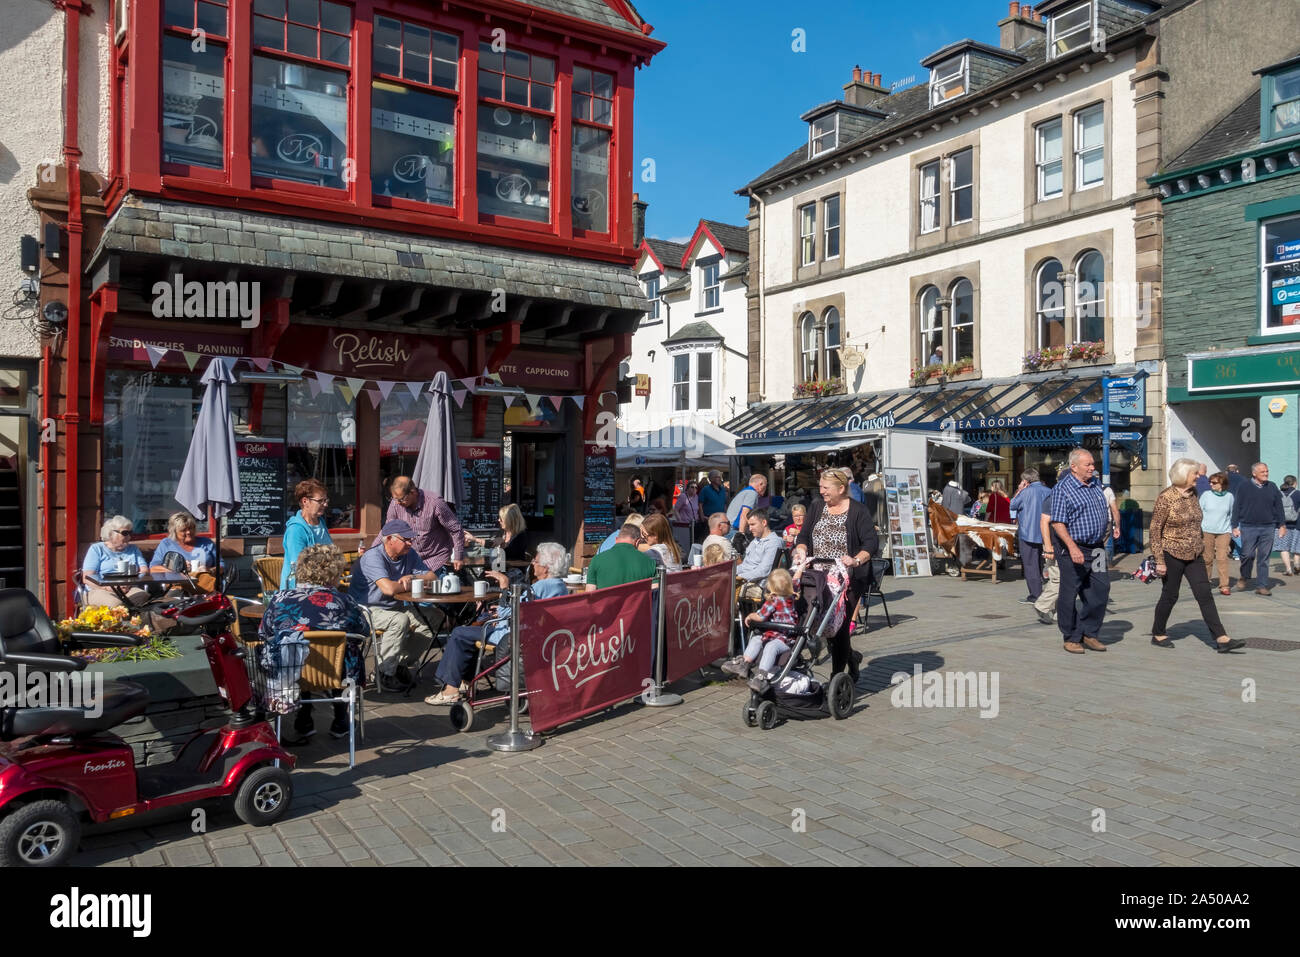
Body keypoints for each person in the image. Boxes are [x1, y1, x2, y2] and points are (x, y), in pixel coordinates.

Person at [425, 543, 568, 706]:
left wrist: (504, 587)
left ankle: (451, 690)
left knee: (460, 633)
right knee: (472, 631)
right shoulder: (560, 586)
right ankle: (465, 681)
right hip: (537, 635)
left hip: (513, 636)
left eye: (535, 561)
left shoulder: (540, 587)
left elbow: (509, 613)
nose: (533, 564)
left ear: (546, 567)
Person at [259, 544, 372, 741]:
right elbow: (364, 630)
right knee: (344, 650)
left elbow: (264, 632)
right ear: (334, 572)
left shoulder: (279, 599)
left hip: (291, 671)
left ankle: (304, 719)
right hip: (336, 673)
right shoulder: (344, 601)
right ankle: (340, 718)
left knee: (294, 651)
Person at [790, 467, 878, 679]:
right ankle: (851, 657)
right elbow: (803, 537)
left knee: (839, 627)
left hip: (847, 577)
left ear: (841, 488)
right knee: (819, 621)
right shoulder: (817, 506)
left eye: (825, 487)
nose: (821, 491)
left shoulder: (857, 510)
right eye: (820, 486)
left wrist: (856, 559)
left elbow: (871, 543)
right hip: (818, 574)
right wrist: (800, 551)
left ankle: (837, 676)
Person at [1149, 459, 1245, 652]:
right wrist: (1159, 560)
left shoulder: (1194, 494)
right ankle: (1158, 633)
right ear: (1184, 475)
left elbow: (1196, 523)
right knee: (1170, 595)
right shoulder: (1166, 497)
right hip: (1172, 553)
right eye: (1195, 473)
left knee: (1205, 594)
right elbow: (1154, 530)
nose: (1199, 476)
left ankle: (1221, 638)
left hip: (1194, 554)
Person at [348, 519, 437, 692]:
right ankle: (384, 673)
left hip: (393, 608)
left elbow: (433, 577)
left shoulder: (409, 554)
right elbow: (388, 588)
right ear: (389, 539)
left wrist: (412, 578)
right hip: (364, 610)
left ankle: (398, 664)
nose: (410, 543)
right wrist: (409, 583)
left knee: (433, 618)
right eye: (406, 539)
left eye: (411, 539)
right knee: (399, 620)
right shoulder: (373, 557)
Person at [1048, 448, 1114, 654]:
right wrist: (1072, 547)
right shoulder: (1063, 489)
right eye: (1088, 465)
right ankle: (1071, 636)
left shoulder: (1095, 484)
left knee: (1101, 589)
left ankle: (1089, 632)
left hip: (1096, 548)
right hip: (1073, 547)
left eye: (1093, 464)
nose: (1093, 468)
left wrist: (1107, 532)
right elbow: (1057, 522)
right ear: (1074, 467)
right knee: (1070, 592)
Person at [374, 476, 465, 574]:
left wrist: (458, 556)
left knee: (434, 588)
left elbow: (455, 529)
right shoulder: (395, 504)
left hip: (437, 559)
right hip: (411, 562)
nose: (398, 503)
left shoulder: (434, 502)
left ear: (413, 492)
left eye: (401, 499)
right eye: (394, 499)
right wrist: (371, 553)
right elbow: (387, 531)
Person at [721, 568, 798, 679]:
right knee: (756, 639)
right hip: (777, 635)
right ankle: (744, 664)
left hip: (783, 639)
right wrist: (800, 568)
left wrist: (750, 616)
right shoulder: (791, 595)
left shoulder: (773, 600)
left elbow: (760, 617)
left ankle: (761, 675)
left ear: (770, 587)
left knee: (770, 647)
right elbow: (796, 581)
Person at [1230, 462, 1287, 595]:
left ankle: (1262, 586)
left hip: (1268, 527)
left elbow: (1279, 507)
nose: (1266, 473)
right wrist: (1234, 525)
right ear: (1254, 473)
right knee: (1247, 555)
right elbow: (1237, 506)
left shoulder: (1272, 486)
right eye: (1263, 472)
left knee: (1264, 557)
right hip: (1249, 526)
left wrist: (1282, 525)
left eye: (1267, 471)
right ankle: (1244, 577)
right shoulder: (1244, 486)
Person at [82, 516, 150, 607]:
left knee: (143, 596)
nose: (129, 536)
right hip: (100, 590)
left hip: (128, 588)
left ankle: (130, 618)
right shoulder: (97, 549)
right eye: (125, 533)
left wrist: (129, 584)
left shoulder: (133, 549)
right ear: (111, 534)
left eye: (130, 533)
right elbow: (87, 577)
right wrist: (107, 587)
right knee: (115, 604)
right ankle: (123, 616)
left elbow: (144, 570)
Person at [280, 479, 334, 590]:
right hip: (300, 591)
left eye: (326, 500)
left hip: (323, 586)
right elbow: (300, 567)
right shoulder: (296, 530)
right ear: (305, 501)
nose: (325, 504)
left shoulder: (321, 523)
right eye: (320, 501)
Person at [1034, 465, 1069, 626]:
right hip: (1054, 545)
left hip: (1062, 545)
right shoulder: (1056, 495)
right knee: (1058, 579)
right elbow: (1044, 521)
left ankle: (1057, 612)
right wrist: (1048, 546)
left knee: (1061, 579)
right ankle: (1042, 605)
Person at [1010, 468, 1052, 605]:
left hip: (1028, 533)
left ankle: (1035, 594)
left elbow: (1013, 505)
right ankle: (1041, 590)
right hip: (1045, 532)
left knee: (1030, 564)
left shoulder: (1025, 492)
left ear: (1026, 481)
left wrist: (1020, 490)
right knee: (1040, 562)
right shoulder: (1049, 491)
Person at [585, 522, 658, 590]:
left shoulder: (596, 560)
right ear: (637, 542)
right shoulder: (650, 563)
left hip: (607, 604)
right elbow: (655, 593)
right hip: (637, 604)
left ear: (616, 540)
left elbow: (590, 594)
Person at [1200, 471, 1235, 596]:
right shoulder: (1206, 495)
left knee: (1222, 558)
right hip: (1206, 530)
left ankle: (1224, 585)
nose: (1211, 484)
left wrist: (1232, 529)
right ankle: (1205, 582)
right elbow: (1199, 512)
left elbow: (1231, 514)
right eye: (1210, 482)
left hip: (1223, 531)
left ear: (1222, 483)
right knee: (1207, 558)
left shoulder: (1230, 497)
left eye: (1214, 482)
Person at [735, 509, 782, 581]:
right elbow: (744, 567)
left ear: (764, 522)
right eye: (749, 525)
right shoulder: (755, 541)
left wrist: (739, 578)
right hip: (744, 580)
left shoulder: (774, 543)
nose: (750, 529)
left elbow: (763, 571)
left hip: (756, 585)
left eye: (753, 524)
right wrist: (729, 572)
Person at [1276, 475, 1300, 576]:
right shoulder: (1298, 494)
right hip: (1297, 525)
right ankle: (1297, 564)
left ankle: (1288, 569)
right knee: (1297, 546)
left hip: (1282, 525)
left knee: (1284, 547)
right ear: (1294, 483)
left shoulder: (1278, 494)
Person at [671, 480, 701, 556]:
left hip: (695, 523)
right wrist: (680, 521)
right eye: (692, 487)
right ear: (687, 489)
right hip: (686, 525)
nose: (694, 489)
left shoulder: (696, 497)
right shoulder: (683, 496)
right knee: (687, 543)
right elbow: (676, 509)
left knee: (695, 542)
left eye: (696, 488)